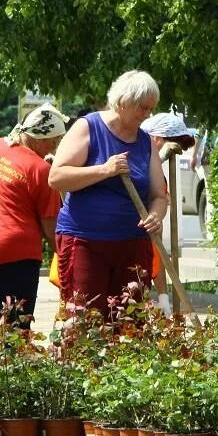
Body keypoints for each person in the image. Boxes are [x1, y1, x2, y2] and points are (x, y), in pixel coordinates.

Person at [49, 70, 168, 314]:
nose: (147, 115)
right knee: (85, 319)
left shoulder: (145, 142)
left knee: (129, 321)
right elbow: (57, 177)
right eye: (143, 108)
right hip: (85, 241)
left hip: (132, 245)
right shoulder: (88, 127)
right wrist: (105, 170)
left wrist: (156, 215)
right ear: (124, 102)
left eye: (150, 109)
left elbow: (158, 194)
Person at [0, 103, 68, 325]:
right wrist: (67, 261)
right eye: (53, 140)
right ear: (37, 138)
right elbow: (50, 228)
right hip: (16, 256)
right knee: (15, 331)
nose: (54, 147)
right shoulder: (42, 170)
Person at [139, 112, 197, 315]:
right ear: (156, 139)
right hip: (128, 239)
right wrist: (162, 155)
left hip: (148, 240)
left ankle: (163, 302)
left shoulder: (155, 166)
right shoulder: (138, 155)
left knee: (156, 255)